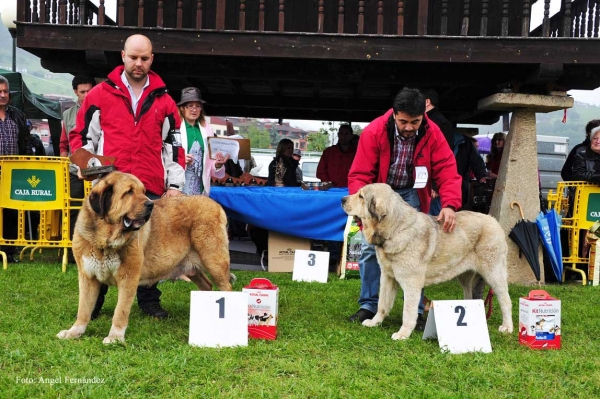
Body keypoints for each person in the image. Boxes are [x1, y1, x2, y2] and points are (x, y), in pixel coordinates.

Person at [69, 34, 186, 320]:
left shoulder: (166, 101)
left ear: (151, 59)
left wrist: (174, 186)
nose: (138, 63)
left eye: (144, 58)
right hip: (110, 191)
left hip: (149, 187)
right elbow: (81, 138)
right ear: (122, 55)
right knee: (99, 243)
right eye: (133, 57)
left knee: (146, 246)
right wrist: (88, 167)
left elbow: (175, 147)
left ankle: (149, 300)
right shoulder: (98, 95)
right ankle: (95, 301)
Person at [347, 88, 462, 327]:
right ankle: (369, 306)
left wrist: (450, 204)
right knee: (371, 249)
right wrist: (364, 216)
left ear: (424, 115)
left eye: (415, 122)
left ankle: (416, 311)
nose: (409, 127)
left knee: (415, 252)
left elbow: (447, 169)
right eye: (403, 121)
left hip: (411, 193)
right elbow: (360, 174)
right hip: (379, 196)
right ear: (394, 114)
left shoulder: (433, 133)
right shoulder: (374, 131)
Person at [59, 74, 96, 258]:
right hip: (74, 172)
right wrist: (64, 167)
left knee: (97, 209)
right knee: (74, 210)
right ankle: (76, 251)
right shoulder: (67, 115)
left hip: (97, 171)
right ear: (75, 92)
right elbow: (63, 144)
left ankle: (95, 248)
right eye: (82, 92)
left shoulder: (101, 111)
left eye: (90, 91)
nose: (86, 95)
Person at [0, 75, 34, 263]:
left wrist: (26, 163)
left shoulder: (17, 115)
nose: (3, 95)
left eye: (5, 91)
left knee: (12, 212)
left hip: (14, 174)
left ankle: (9, 251)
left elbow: (27, 142)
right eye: (0, 92)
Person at [177, 86, 227, 195]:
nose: (194, 109)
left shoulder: (207, 129)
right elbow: (165, 154)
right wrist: (181, 158)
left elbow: (210, 163)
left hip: (200, 188)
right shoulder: (175, 127)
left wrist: (218, 164)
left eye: (197, 106)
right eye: (190, 106)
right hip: (178, 185)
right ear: (182, 108)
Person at [422, 89, 454, 216]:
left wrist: (434, 186)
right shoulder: (439, 121)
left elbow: (443, 158)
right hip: (428, 182)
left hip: (433, 185)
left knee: (435, 221)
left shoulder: (437, 123)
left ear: (427, 102)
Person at [453, 132, 487, 209]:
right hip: (455, 184)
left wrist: (481, 175)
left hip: (459, 184)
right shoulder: (464, 141)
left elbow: (476, 160)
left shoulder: (465, 142)